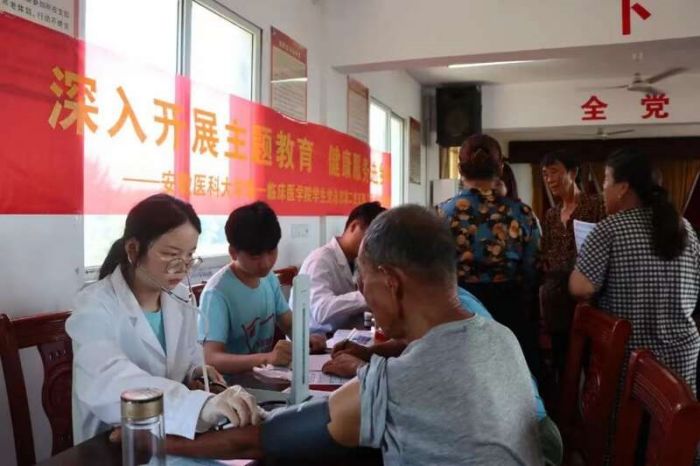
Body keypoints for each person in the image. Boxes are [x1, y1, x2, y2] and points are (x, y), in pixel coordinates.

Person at [67, 194, 261, 444]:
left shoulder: (180, 297)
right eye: (171, 255)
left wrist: (198, 371)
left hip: (169, 436)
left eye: (190, 255)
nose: (182, 267)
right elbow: (109, 379)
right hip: (111, 443)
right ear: (133, 249)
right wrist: (200, 406)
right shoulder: (94, 306)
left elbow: (188, 354)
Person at [324, 286, 562, 466]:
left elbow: (420, 373)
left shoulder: (451, 317)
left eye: (365, 281)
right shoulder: (445, 304)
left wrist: (366, 369)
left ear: (392, 279)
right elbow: (416, 345)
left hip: (534, 439)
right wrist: (369, 354)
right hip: (518, 431)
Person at [570, 148, 700, 394]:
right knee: (673, 417)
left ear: (622, 188)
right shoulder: (684, 227)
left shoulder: (609, 229)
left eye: (606, 180)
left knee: (624, 418)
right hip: (682, 356)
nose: (603, 189)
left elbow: (580, 288)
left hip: (632, 358)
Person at [437, 133, 541, 378]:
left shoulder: (442, 214)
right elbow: (532, 271)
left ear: (460, 169)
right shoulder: (522, 213)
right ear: (501, 168)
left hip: (458, 320)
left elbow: (433, 274)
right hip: (510, 321)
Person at [199, 201, 326, 375]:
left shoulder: (269, 279)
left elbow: (288, 323)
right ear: (233, 252)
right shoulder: (217, 293)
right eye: (255, 256)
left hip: (266, 378)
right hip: (232, 386)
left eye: (272, 251)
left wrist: (306, 338)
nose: (266, 263)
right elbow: (211, 358)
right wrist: (267, 358)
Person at [540, 150, 605, 382]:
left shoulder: (597, 206)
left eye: (554, 172)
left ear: (573, 173)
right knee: (563, 363)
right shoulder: (551, 215)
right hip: (557, 303)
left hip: (588, 298)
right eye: (545, 174)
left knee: (591, 364)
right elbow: (546, 254)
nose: (550, 179)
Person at [294, 201, 386, 333]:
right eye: (371, 238)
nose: (375, 245)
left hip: (344, 333)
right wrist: (369, 295)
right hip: (316, 339)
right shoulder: (320, 260)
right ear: (354, 226)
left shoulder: (356, 260)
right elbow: (321, 311)